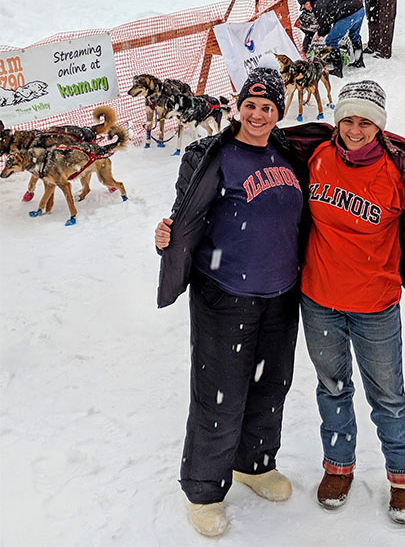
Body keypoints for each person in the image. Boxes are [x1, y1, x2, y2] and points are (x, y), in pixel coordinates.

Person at [283, 80, 405, 524]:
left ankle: (404, 476)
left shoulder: (398, 173)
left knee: (388, 396)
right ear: (337, 120)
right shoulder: (316, 156)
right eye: (348, 120)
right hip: (319, 297)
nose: (355, 130)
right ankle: (338, 466)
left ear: (379, 127)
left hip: (374, 304)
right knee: (332, 386)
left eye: (365, 122)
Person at [155, 58, 307, 538]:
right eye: (250, 105)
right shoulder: (211, 156)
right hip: (226, 294)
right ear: (238, 108)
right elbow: (184, 216)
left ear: (279, 113)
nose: (258, 114)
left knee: (270, 386)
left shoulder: (288, 155)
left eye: (267, 106)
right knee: (219, 396)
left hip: (281, 295)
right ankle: (203, 491)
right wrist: (166, 237)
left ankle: (255, 465)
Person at [299, 0, 366, 76]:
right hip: (359, 9)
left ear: (307, 3)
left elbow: (325, 26)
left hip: (348, 14)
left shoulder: (318, 6)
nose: (306, 9)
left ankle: (337, 70)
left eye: (304, 7)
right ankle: (359, 62)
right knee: (354, 35)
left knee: (331, 41)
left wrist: (318, 34)